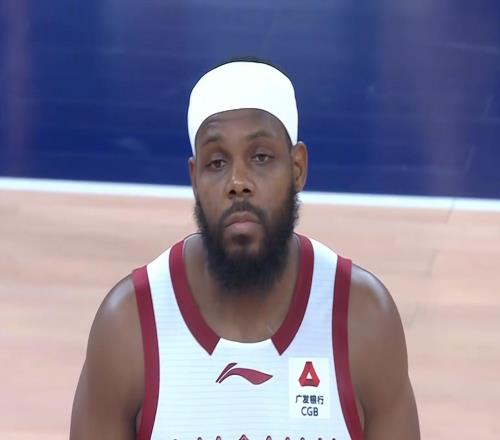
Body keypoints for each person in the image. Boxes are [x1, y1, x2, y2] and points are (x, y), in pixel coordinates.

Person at [70, 58, 420, 440]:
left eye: (260, 157)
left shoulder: (362, 319)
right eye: (217, 162)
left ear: (297, 168)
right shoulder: (129, 326)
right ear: (194, 179)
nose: (238, 182)